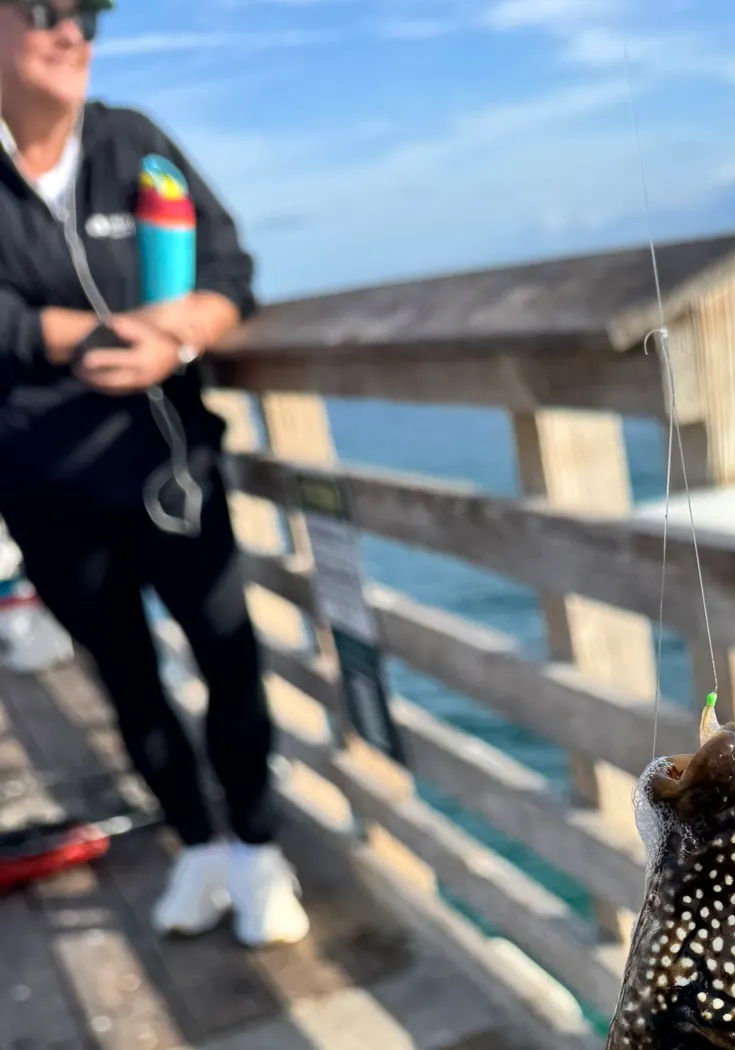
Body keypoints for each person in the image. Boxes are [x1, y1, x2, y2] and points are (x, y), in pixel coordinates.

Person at [0, 0, 309, 948]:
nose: (74, 34)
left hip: (170, 467)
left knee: (228, 657)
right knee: (128, 679)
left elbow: (228, 264)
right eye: (48, 10)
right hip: (43, 490)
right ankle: (197, 843)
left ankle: (257, 846)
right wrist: (94, 336)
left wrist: (174, 336)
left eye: (89, 15)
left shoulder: (133, 141)